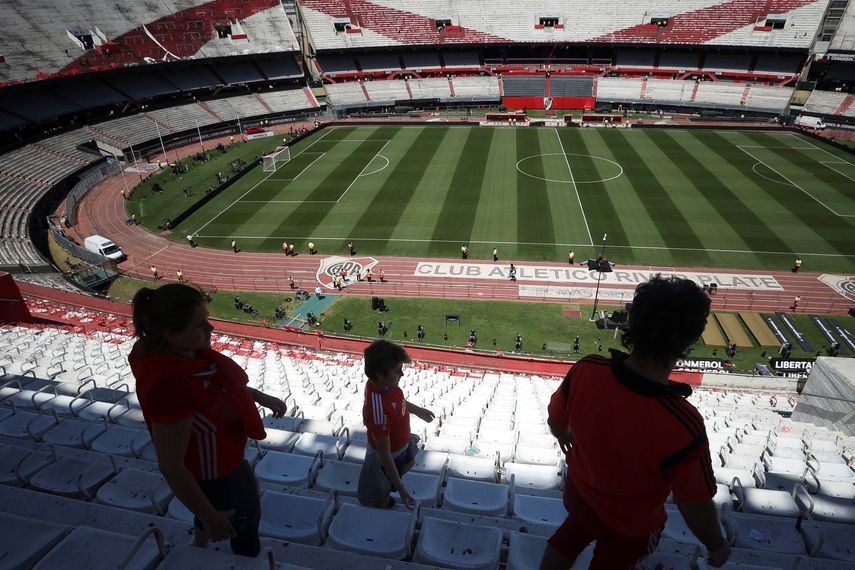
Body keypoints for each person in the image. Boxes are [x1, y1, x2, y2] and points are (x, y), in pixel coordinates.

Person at [541, 276, 729, 569]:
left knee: (566, 539)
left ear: (632, 322)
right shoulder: (684, 425)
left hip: (579, 496)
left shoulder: (586, 371)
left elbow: (555, 420)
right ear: (689, 342)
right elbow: (695, 503)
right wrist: (716, 544)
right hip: (630, 526)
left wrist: (563, 433)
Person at [129, 284, 286, 557]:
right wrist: (209, 516)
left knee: (227, 513)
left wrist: (259, 396)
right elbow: (171, 465)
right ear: (171, 333)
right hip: (218, 474)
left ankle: (198, 545)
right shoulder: (171, 386)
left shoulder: (185, 357)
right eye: (199, 324)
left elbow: (212, 392)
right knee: (246, 528)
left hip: (221, 464)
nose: (210, 328)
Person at [357, 340, 435, 509]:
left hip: (401, 445)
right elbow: (385, 455)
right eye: (397, 371)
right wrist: (401, 489)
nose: (402, 374)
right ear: (380, 374)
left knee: (407, 464)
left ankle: (389, 485)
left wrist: (418, 411)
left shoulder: (384, 386)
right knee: (381, 490)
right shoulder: (378, 411)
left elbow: (399, 401)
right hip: (390, 455)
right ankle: (383, 500)